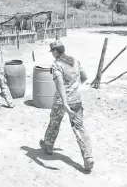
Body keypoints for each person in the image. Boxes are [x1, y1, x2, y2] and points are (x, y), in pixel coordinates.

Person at [39, 40, 94, 172]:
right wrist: (74, 87)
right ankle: (88, 157)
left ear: (55, 51)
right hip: (76, 100)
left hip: (61, 102)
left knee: (54, 123)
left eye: (52, 51)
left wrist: (64, 102)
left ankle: (48, 146)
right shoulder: (75, 61)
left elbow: (60, 84)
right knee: (79, 127)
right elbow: (85, 77)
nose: (52, 54)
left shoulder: (57, 65)